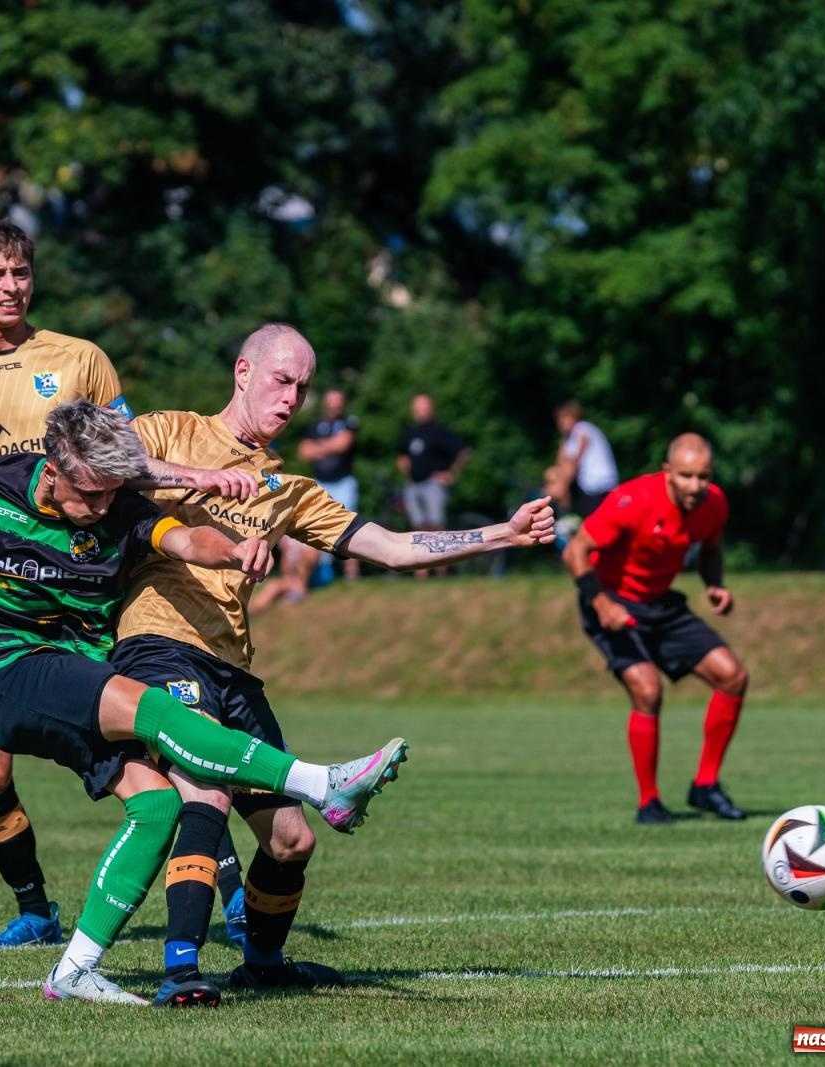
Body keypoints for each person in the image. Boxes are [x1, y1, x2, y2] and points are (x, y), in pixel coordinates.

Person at [0, 400, 412, 1005]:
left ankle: (74, 971)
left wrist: (236, 549)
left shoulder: (123, 508)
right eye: (88, 494)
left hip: (79, 666)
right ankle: (324, 785)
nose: (99, 508)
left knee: (158, 806)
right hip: (3, 662)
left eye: (110, 494)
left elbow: (190, 539)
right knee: (158, 711)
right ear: (54, 467)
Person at [114, 324, 555, 1006]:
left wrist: (504, 532)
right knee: (205, 789)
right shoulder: (169, 430)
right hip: (156, 642)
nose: (293, 397)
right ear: (242, 371)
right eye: (281, 380)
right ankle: (180, 968)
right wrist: (199, 483)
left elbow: (393, 546)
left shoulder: (288, 490)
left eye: (303, 387)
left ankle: (261, 962)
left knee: (290, 841)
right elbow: (102, 467)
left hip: (232, 663)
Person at [0, 218, 253, 949]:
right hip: (2, 599)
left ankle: (225, 896)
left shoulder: (80, 361)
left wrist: (198, 485)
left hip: (88, 591)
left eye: (20, 273)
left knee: (163, 742)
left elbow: (127, 461)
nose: (11, 287)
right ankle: (35, 907)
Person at [562, 434, 750, 826]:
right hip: (611, 601)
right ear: (668, 473)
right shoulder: (632, 501)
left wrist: (714, 583)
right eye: (686, 476)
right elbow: (574, 551)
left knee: (732, 676)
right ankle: (649, 803)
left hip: (661, 603)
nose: (696, 486)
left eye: (703, 476)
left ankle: (706, 786)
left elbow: (711, 548)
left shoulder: (713, 503)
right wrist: (602, 604)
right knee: (647, 689)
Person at [396, 394, 471, 576]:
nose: (420, 411)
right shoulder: (409, 433)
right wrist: (407, 473)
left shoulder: (440, 432)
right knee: (418, 528)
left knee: (436, 526)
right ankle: (421, 572)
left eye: (424, 406)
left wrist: (452, 473)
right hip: (414, 485)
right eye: (417, 407)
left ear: (431, 408)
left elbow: (464, 451)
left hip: (433, 484)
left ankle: (441, 570)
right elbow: (401, 455)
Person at [297, 388, 361, 580]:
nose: (335, 405)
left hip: (343, 482)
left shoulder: (350, 422)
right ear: (325, 402)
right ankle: (323, 572)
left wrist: (319, 447)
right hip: (321, 481)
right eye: (331, 400)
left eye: (338, 400)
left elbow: (343, 444)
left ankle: (352, 574)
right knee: (317, 526)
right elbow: (303, 452)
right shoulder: (315, 425)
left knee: (349, 526)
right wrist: (330, 446)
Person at [551, 400, 619, 518]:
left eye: (565, 418)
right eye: (560, 419)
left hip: (599, 484)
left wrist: (561, 485)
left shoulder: (582, 429)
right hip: (592, 485)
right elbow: (561, 462)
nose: (562, 422)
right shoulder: (570, 437)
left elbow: (574, 462)